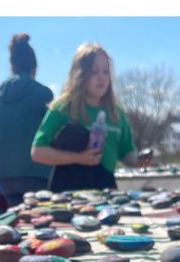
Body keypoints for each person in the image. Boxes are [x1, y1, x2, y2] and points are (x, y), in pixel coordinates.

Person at [31, 42, 136, 193]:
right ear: (79, 74)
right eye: (94, 71)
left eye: (106, 72)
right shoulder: (63, 108)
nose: (101, 78)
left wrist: (139, 161)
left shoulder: (116, 112)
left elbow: (127, 153)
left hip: (106, 191)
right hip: (68, 193)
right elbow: (37, 152)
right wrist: (79, 158)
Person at [0, 32, 54, 206]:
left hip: (4, 173)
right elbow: (54, 130)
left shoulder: (0, 95)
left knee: (16, 220)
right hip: (35, 171)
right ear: (34, 68)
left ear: (12, 65)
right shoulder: (43, 93)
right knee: (38, 221)